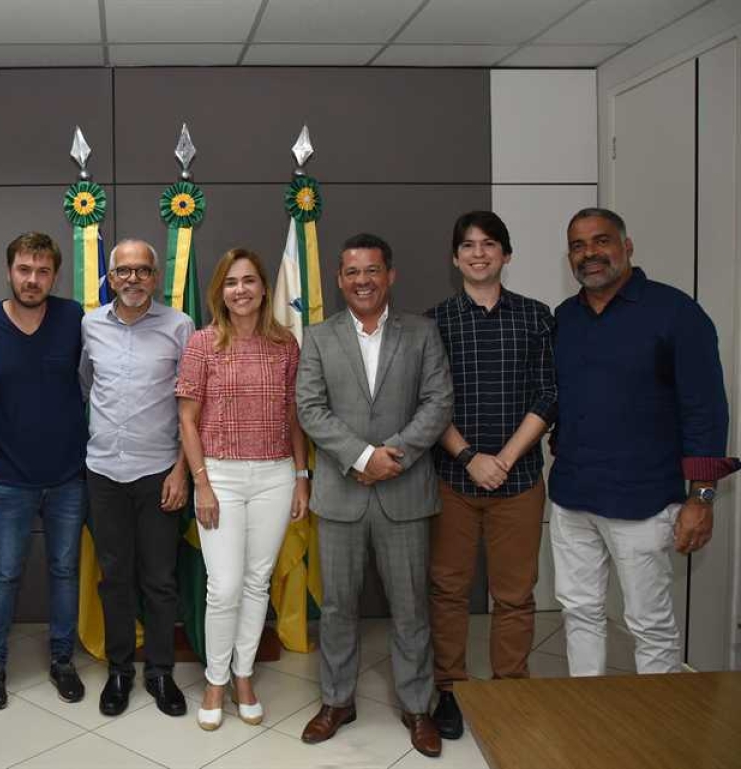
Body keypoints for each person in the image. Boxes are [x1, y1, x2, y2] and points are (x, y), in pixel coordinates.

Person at [550, 207, 728, 676]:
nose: (589, 253)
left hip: (644, 502)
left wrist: (702, 498)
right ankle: (586, 716)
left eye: (601, 241)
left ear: (626, 247)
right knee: (579, 612)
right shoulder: (565, 318)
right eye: (577, 245)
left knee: (649, 623)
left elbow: (706, 411)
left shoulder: (676, 314)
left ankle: (658, 732)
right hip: (572, 498)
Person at [296, 233, 453, 758]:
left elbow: (437, 401)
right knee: (338, 606)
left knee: (410, 608)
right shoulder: (318, 337)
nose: (362, 280)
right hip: (341, 494)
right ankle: (338, 701)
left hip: (405, 493)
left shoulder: (423, 332)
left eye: (372, 271)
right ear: (339, 279)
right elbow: (310, 408)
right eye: (352, 272)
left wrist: (393, 455)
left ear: (390, 275)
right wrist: (363, 458)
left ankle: (416, 706)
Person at [425, 212, 557, 740]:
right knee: (449, 589)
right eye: (468, 246)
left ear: (506, 254)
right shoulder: (434, 322)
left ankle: (511, 687)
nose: (479, 254)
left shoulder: (537, 317)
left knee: (515, 593)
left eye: (490, 245)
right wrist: (468, 458)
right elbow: (429, 402)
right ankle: (451, 688)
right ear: (455, 257)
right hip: (452, 480)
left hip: (519, 479)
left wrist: (502, 458)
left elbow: (549, 393)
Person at [175, 248, 310, 731]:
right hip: (220, 478)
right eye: (231, 282)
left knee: (257, 582)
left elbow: (294, 418)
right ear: (220, 291)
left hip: (275, 475)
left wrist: (300, 476)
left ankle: (244, 675)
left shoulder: (285, 346)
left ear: (263, 288)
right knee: (224, 586)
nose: (241, 290)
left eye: (250, 280)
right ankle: (215, 681)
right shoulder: (203, 343)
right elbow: (187, 420)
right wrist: (202, 485)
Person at [0, 232, 87, 709]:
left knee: (63, 570)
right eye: (23, 269)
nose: (32, 280)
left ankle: (62, 659)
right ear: (9, 270)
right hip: (7, 476)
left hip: (67, 474)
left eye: (41, 271)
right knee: (4, 574)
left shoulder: (74, 318)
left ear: (54, 275)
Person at [80, 238, 193, 718]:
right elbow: (87, 385)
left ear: (155, 277)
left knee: (160, 581)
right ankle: (120, 671)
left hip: (158, 474)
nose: (132, 279)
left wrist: (182, 471)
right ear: (110, 276)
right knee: (116, 578)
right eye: (123, 271)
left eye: (142, 271)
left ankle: (161, 672)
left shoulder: (180, 326)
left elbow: (192, 406)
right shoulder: (89, 326)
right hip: (104, 472)